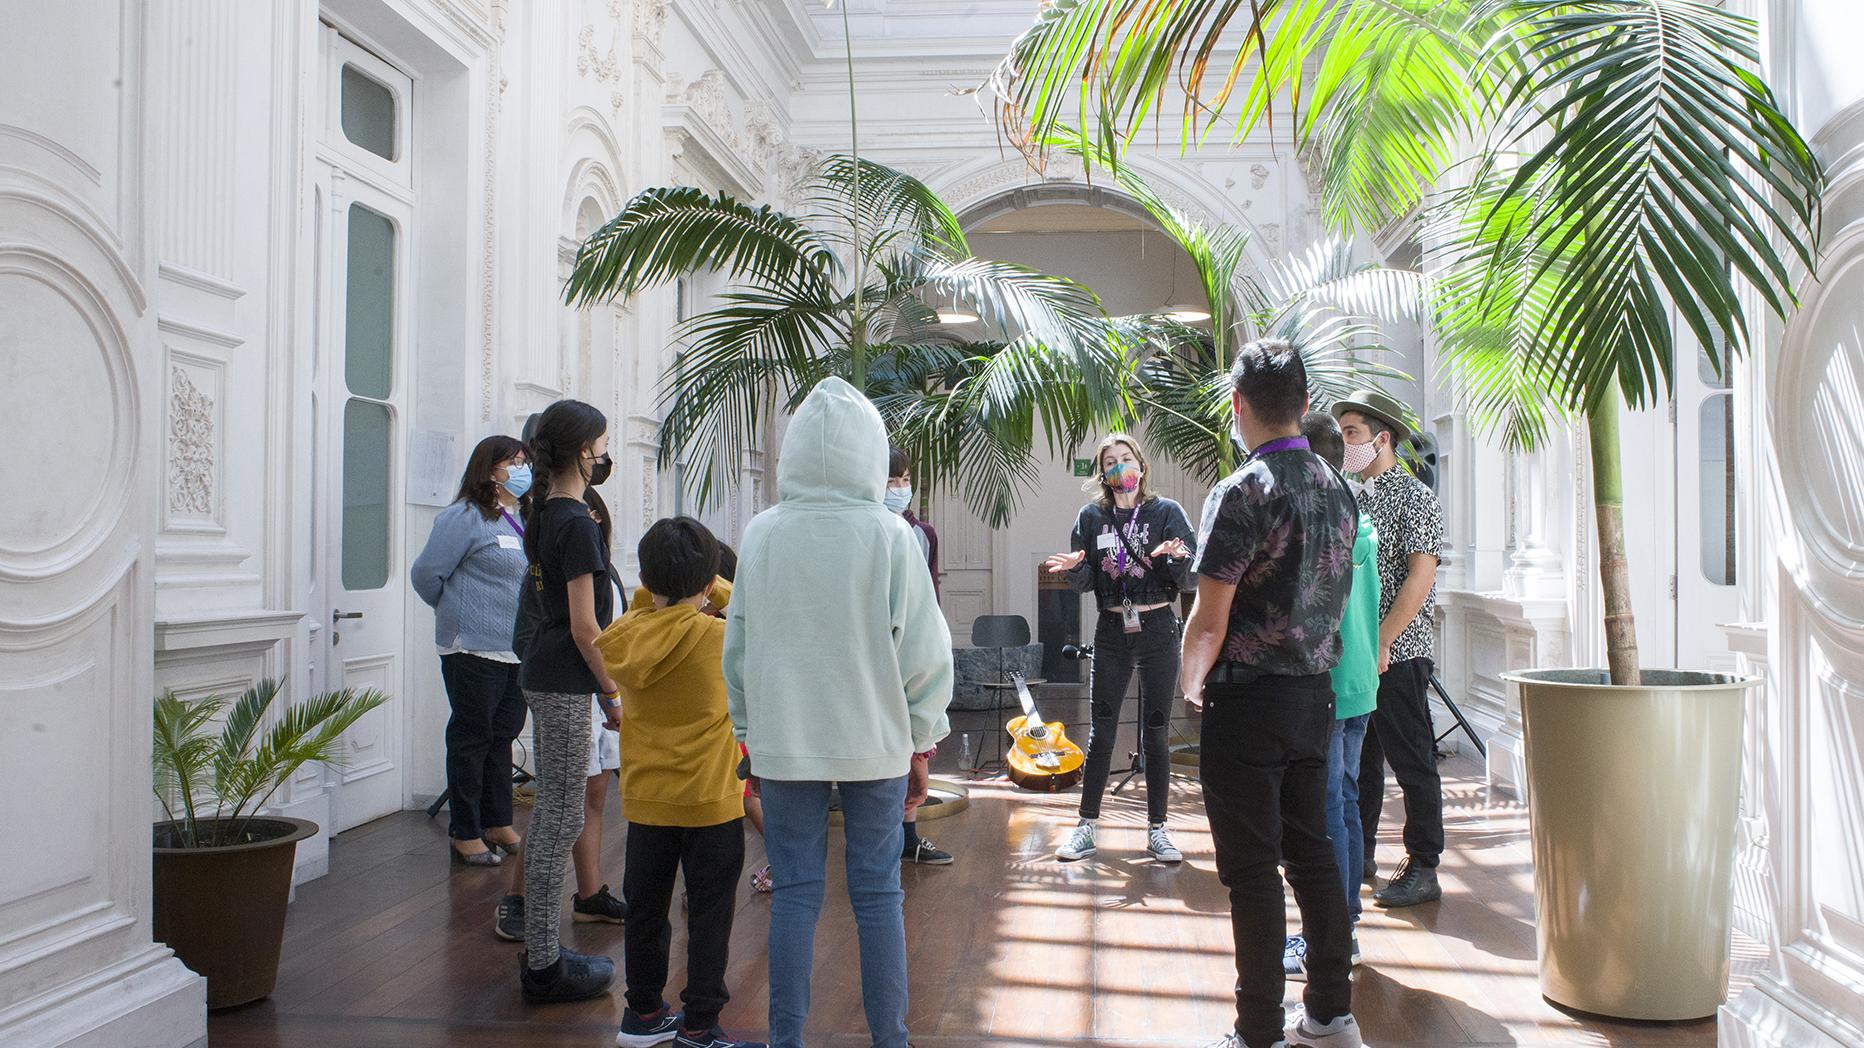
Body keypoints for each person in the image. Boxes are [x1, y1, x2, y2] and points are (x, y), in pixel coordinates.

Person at [723, 377, 953, 1048]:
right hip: (876, 742)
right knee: (879, 897)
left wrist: (750, 739)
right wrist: (920, 743)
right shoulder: (890, 535)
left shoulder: (762, 535)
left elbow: (738, 650)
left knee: (794, 895)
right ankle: (891, 1040)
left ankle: (785, 1040)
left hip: (785, 742)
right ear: (872, 455)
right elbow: (924, 650)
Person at [1180, 340, 1363, 1048]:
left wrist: (1192, 684)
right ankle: (1329, 1015)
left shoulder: (1241, 492)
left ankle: (1257, 1031)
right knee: (1312, 852)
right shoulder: (1336, 484)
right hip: (1314, 697)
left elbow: (1210, 617)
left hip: (1248, 703)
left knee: (1254, 871)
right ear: (1307, 404)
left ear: (1238, 405)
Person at [598, 518, 762, 1048]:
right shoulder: (721, 635)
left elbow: (649, 607)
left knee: (645, 909)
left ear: (645, 575)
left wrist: (674, 587)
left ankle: (642, 1014)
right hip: (710, 800)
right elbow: (754, 615)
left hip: (646, 798)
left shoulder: (627, 633)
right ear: (712, 577)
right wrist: (714, 583)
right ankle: (699, 1025)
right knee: (711, 916)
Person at [1042, 433, 1196, 863]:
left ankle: (1159, 830)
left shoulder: (1167, 513)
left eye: (1125, 459)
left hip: (1159, 627)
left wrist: (1178, 559)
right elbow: (1089, 579)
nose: (1119, 467)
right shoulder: (1091, 518)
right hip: (1112, 629)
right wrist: (1075, 571)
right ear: (1102, 474)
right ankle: (1086, 826)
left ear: (1141, 465)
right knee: (1101, 732)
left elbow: (1188, 579)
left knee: (1157, 732)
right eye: (1110, 462)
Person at [513, 398, 619, 1003]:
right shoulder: (576, 522)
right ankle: (544, 964)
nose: (604, 455)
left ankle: (544, 951)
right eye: (601, 445)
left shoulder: (547, 513)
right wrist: (611, 689)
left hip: (549, 672)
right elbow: (585, 627)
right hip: (564, 678)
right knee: (560, 815)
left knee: (560, 810)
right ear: (584, 452)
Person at [1334, 389, 1447, 909]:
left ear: (1383, 438)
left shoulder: (1416, 497)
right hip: (1358, 653)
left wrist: (1384, 639)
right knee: (1363, 763)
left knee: (1412, 760)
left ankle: (1424, 865)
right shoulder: (1354, 497)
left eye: (1353, 433)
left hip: (1399, 652)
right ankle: (1362, 854)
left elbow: (1420, 576)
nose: (1345, 443)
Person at [1283, 412, 1380, 980]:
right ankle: (1347, 925)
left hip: (1331, 683)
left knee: (1325, 810)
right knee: (1344, 800)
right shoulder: (1360, 520)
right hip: (1362, 679)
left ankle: (1332, 934)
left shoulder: (1322, 525)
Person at [410, 435, 532, 867]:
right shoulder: (463, 517)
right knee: (471, 737)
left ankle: (497, 820)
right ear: (488, 469)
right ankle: (464, 830)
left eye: (524, 461)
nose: (522, 469)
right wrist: (455, 613)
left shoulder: (516, 519)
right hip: (470, 648)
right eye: (513, 462)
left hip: (512, 649)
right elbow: (426, 574)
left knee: (502, 736)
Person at [886, 445, 952, 867]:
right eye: (891, 481)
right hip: (878, 653)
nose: (899, 489)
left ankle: (908, 837)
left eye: (905, 480)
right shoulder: (867, 529)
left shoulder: (922, 533)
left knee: (913, 750)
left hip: (914, 643)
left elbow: (928, 595)